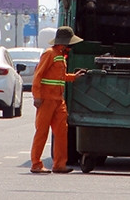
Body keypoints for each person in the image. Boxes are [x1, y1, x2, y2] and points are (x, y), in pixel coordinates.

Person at [30, 26, 87, 174]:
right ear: (65, 42)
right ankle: (36, 164)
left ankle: (59, 165)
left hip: (58, 101)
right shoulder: (49, 54)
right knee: (42, 132)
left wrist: (74, 77)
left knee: (62, 132)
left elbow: (59, 78)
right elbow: (38, 75)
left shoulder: (60, 56)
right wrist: (37, 96)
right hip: (46, 100)